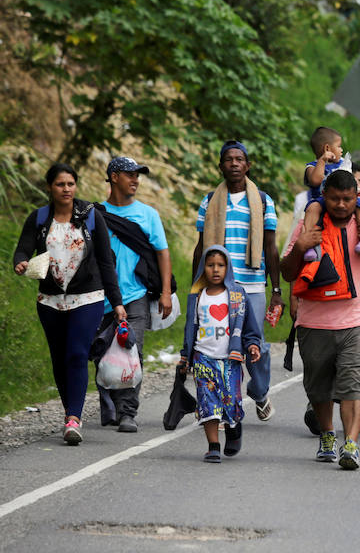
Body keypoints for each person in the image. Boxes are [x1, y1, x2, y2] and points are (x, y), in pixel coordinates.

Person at [281, 170, 360, 470]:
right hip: (314, 321)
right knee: (318, 388)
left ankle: (351, 445)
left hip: (358, 319)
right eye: (335, 199)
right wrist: (302, 247)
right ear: (324, 196)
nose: (342, 205)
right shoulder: (310, 223)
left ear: (356, 197)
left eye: (348, 199)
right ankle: (328, 435)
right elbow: (288, 272)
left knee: (354, 385)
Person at [13, 163, 126, 445]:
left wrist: (117, 302)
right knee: (60, 358)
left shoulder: (90, 216)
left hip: (87, 297)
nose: (66, 189)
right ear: (50, 187)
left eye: (70, 184)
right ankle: (69, 411)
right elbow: (23, 248)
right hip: (50, 300)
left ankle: (73, 419)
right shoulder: (38, 218)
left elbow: (105, 261)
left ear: (77, 186)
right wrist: (21, 262)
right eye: (60, 184)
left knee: (76, 353)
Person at [193, 140, 283, 422]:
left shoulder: (263, 200)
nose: (234, 163)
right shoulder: (209, 201)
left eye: (239, 159)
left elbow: (271, 246)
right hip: (218, 287)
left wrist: (276, 289)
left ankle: (259, 391)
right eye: (228, 159)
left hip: (253, 285)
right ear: (221, 166)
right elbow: (200, 246)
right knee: (218, 346)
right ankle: (220, 405)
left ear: (248, 165)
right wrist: (195, 287)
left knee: (257, 346)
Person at [94, 157, 173, 432]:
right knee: (103, 353)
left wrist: (165, 292)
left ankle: (128, 412)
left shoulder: (148, 214)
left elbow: (163, 253)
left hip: (135, 294)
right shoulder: (94, 213)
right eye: (130, 175)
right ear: (114, 177)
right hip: (100, 297)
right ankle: (111, 405)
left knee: (131, 351)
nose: (136, 180)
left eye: (138, 176)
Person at [181, 246, 261, 463]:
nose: (215, 270)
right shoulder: (197, 296)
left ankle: (234, 428)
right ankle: (213, 445)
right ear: (202, 268)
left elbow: (250, 327)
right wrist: (185, 356)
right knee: (207, 402)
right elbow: (190, 328)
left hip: (230, 359)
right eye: (210, 265)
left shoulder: (236, 295)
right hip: (203, 357)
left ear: (228, 268)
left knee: (230, 402)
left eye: (220, 265)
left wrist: (252, 344)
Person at [302, 127, 360, 260]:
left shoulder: (343, 163)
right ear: (327, 148)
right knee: (312, 208)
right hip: (321, 200)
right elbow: (315, 180)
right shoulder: (312, 166)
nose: (341, 150)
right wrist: (322, 161)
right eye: (339, 146)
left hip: (344, 200)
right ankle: (309, 245)